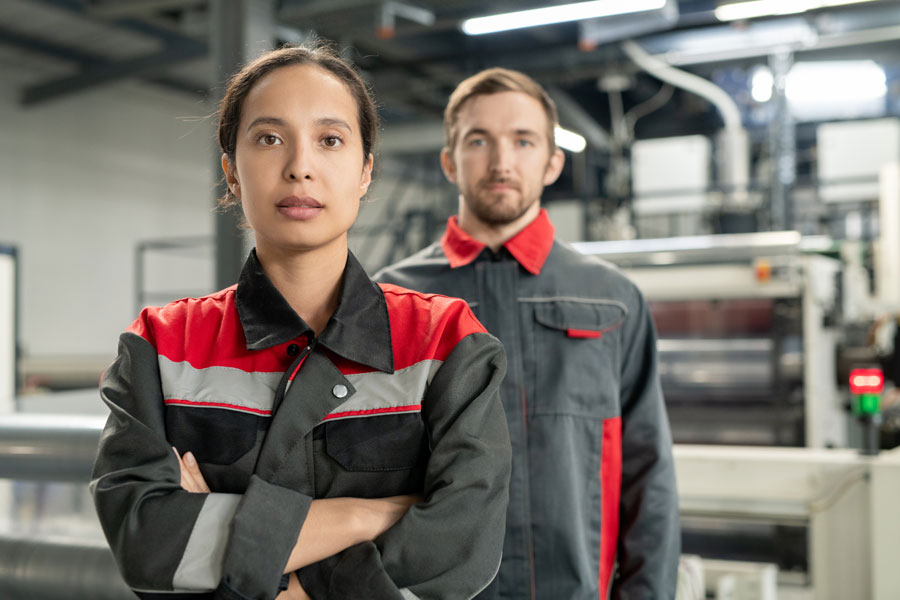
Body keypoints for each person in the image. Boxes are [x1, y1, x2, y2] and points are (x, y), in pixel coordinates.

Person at [90, 42, 512, 600]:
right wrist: (371, 516)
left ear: (365, 172)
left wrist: (271, 578)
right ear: (232, 173)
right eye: (269, 138)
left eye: (330, 140)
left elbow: (463, 547)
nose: (299, 166)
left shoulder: (446, 342)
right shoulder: (161, 345)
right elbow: (148, 545)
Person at [375, 68, 680, 599]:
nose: (502, 161)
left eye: (523, 140)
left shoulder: (611, 300)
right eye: (479, 140)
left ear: (552, 162)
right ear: (449, 161)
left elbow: (647, 474)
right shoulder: (392, 301)